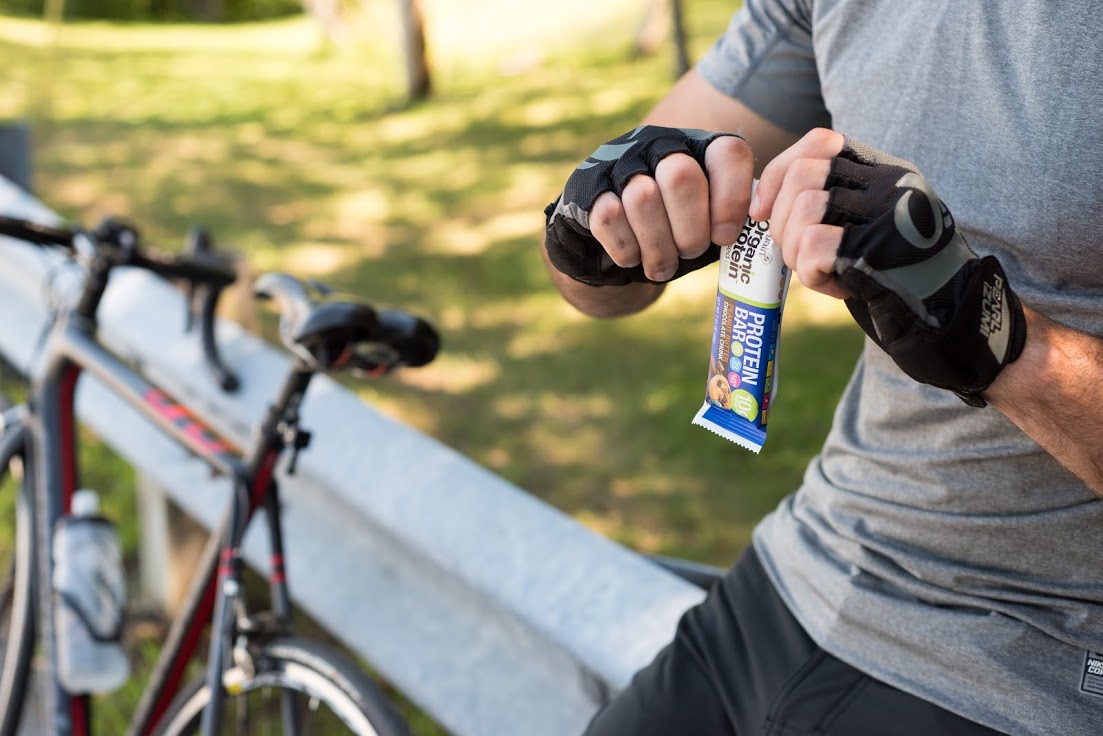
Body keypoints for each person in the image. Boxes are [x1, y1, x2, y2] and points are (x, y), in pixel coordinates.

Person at [541, 2, 1103, 735]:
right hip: (801, 571)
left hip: (1029, 663)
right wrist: (592, 231)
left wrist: (998, 343)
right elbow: (594, 293)